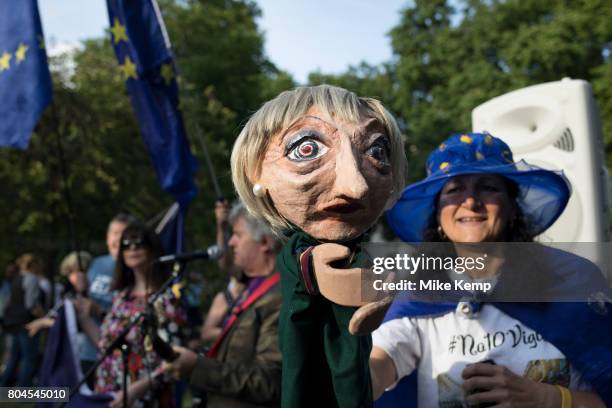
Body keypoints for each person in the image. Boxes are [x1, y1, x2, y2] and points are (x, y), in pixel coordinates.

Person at [370, 132, 610, 407]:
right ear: (438, 215)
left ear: (512, 208)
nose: (470, 201)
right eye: (454, 190)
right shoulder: (419, 294)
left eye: (488, 187)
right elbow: (377, 368)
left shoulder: (575, 282)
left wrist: (547, 398)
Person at [229, 84, 406, 407]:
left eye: (376, 152)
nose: (356, 186)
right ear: (254, 171)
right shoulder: (297, 261)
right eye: (307, 149)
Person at [165, 202, 283, 408]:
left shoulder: (278, 298)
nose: (231, 242)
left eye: (238, 234)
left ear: (264, 242)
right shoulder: (250, 287)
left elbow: (268, 382)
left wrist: (198, 367)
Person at [77, 222, 186, 407]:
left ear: (152, 248)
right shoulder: (121, 297)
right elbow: (106, 344)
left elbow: (174, 360)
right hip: (108, 393)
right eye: (126, 244)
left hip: (145, 398)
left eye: (139, 243)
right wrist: (82, 315)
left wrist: (135, 391)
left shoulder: (166, 300)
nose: (132, 248)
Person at [77, 213, 135, 379]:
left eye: (123, 234)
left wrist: (100, 310)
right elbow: (83, 303)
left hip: (116, 354)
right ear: (107, 236)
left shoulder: (133, 269)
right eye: (114, 233)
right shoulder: (97, 263)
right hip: (88, 352)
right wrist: (81, 289)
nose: (118, 239)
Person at [0, 253, 45, 387]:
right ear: (33, 265)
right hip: (27, 323)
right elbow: (31, 304)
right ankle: (22, 388)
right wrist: (44, 318)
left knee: (14, 356)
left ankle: (4, 385)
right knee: (29, 358)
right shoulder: (32, 279)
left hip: (15, 322)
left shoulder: (17, 278)